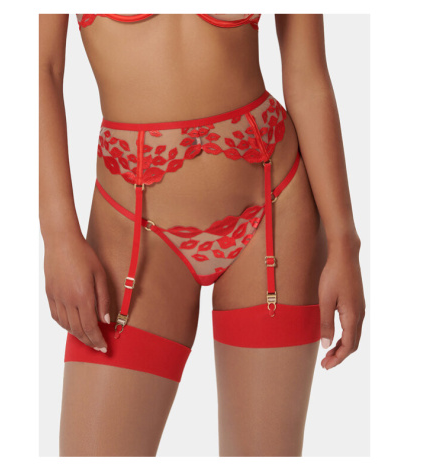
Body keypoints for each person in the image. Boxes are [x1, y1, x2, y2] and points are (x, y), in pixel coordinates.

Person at [39, 13, 366, 457]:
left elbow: (307, 76)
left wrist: (345, 244)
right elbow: (40, 69)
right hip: (132, 229)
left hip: (274, 211)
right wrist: (57, 235)